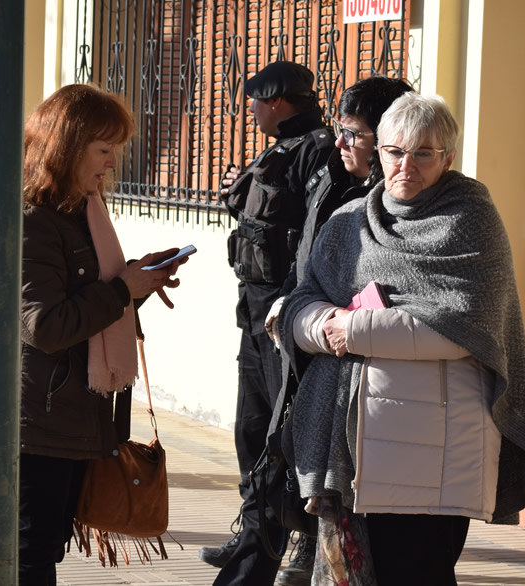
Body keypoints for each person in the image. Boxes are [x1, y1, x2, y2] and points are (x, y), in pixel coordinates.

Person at [274, 93, 525, 585]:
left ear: (448, 158)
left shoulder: (472, 221)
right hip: (352, 449)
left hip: (435, 450)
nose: (407, 165)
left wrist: (348, 329)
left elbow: (461, 327)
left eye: (423, 154)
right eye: (395, 151)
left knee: (419, 573)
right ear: (378, 152)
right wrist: (320, 327)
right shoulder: (347, 222)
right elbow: (296, 303)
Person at [18, 84, 185, 585]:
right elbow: (43, 325)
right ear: (66, 146)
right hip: (39, 418)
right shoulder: (35, 220)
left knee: (43, 547)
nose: (113, 164)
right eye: (104, 149)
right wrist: (120, 292)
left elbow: (85, 296)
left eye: (117, 150)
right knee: (30, 552)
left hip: (72, 413)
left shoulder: (80, 212)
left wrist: (134, 283)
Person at [262, 74, 413, 586]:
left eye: (355, 134)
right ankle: (300, 536)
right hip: (314, 347)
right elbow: (309, 259)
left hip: (375, 388)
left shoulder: (408, 208)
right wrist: (291, 301)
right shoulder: (333, 179)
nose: (341, 142)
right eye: (340, 130)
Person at [202, 61, 332, 586]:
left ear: (277, 100)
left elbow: (307, 233)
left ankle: (299, 538)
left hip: (284, 316)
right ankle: (254, 531)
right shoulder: (278, 145)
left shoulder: (318, 148)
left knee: (284, 438)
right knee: (251, 430)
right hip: (253, 314)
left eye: (255, 100)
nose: (250, 109)